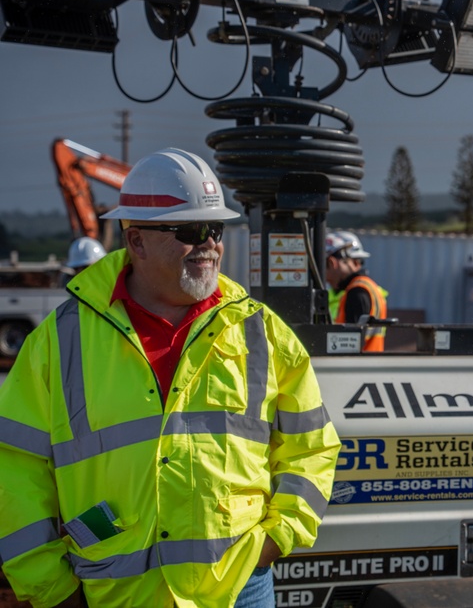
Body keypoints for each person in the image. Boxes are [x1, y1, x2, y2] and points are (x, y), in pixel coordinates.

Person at [0, 148, 341, 608]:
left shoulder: (261, 331)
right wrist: (52, 588)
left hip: (241, 586)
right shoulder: (58, 342)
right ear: (136, 241)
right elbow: (15, 470)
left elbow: (312, 446)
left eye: (215, 229)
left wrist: (277, 537)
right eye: (190, 231)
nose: (210, 244)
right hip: (113, 593)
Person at [325, 230, 388, 352]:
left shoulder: (357, 292)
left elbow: (349, 344)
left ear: (331, 263)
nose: (325, 276)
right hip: (367, 366)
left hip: (357, 367)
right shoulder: (367, 287)